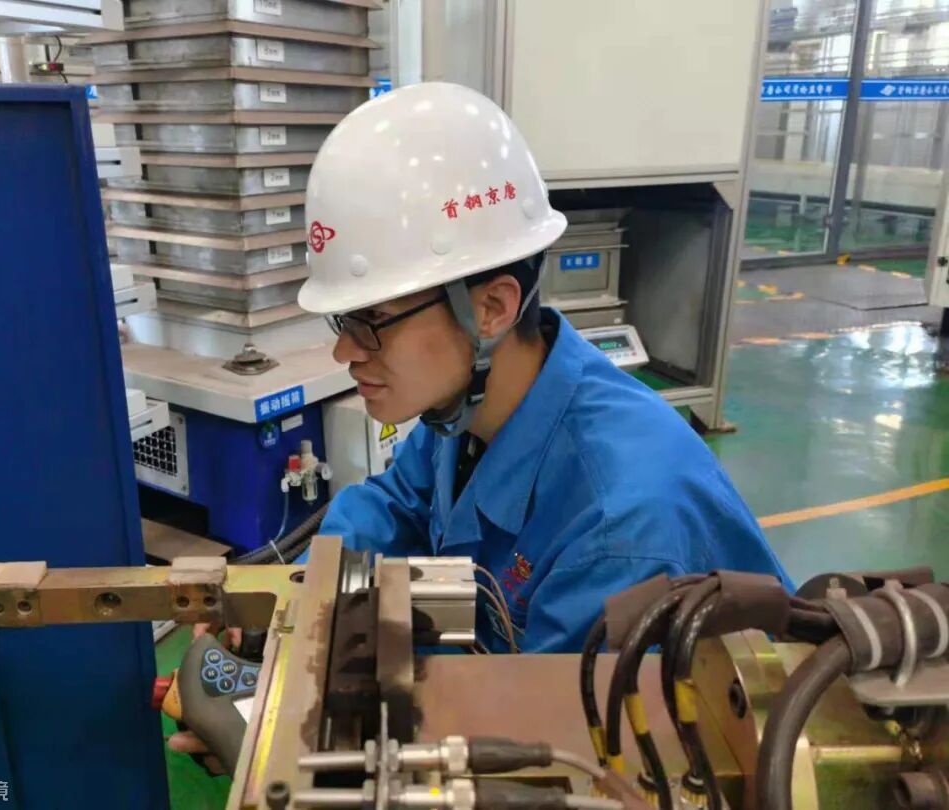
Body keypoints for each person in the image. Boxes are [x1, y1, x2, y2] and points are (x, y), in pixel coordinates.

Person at [168, 81, 788, 759]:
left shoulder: (622, 532)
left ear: (491, 308)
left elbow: (550, 760)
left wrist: (292, 732)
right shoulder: (470, 410)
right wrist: (311, 604)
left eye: (372, 322)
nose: (345, 352)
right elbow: (395, 505)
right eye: (343, 322)